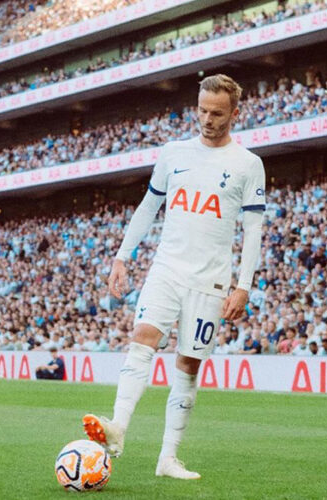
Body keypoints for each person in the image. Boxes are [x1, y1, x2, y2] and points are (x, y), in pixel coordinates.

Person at [81, 74, 265, 480]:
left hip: (211, 281)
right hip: (166, 268)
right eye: (201, 110)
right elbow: (148, 208)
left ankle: (168, 458)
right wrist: (122, 257)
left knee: (187, 364)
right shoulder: (173, 153)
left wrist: (244, 285)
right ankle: (118, 428)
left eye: (217, 113)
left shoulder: (248, 165)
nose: (207, 119)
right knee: (142, 337)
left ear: (234, 113)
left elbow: (253, 230)